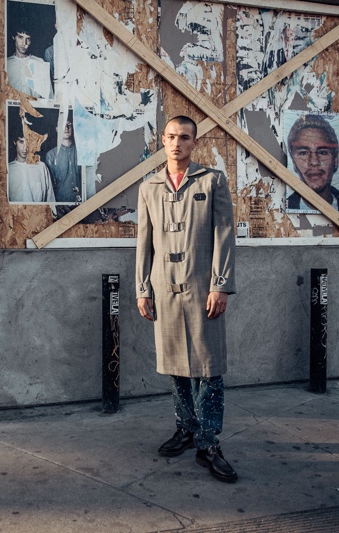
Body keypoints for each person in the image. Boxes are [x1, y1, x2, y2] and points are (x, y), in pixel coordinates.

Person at [135, 116, 238, 483]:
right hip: (164, 289)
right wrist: (142, 289)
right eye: (171, 136)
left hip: (201, 288)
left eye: (185, 137)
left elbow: (225, 235)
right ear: (162, 140)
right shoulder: (149, 188)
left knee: (209, 369)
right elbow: (143, 244)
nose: (177, 143)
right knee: (177, 366)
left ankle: (209, 443)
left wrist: (220, 285)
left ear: (195, 143)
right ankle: (185, 428)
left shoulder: (212, 182)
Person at [286, 115, 339, 212]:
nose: (314, 162)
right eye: (303, 153)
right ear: (293, 162)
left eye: (322, 152)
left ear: (336, 160)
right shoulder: (285, 207)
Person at [8, 132, 56, 203]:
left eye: (28, 142)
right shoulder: (8, 169)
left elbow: (51, 199)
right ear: (15, 142)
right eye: (21, 142)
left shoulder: (41, 167)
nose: (25, 147)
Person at [6, 28, 52, 99]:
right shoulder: (6, 64)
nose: (24, 43)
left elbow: (49, 97)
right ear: (13, 37)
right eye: (20, 37)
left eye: (28, 39)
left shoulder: (40, 62)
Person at [45, 115, 81, 203]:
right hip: (61, 203)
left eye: (69, 124)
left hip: (82, 202)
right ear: (57, 129)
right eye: (62, 124)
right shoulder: (51, 155)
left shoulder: (82, 152)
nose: (66, 128)